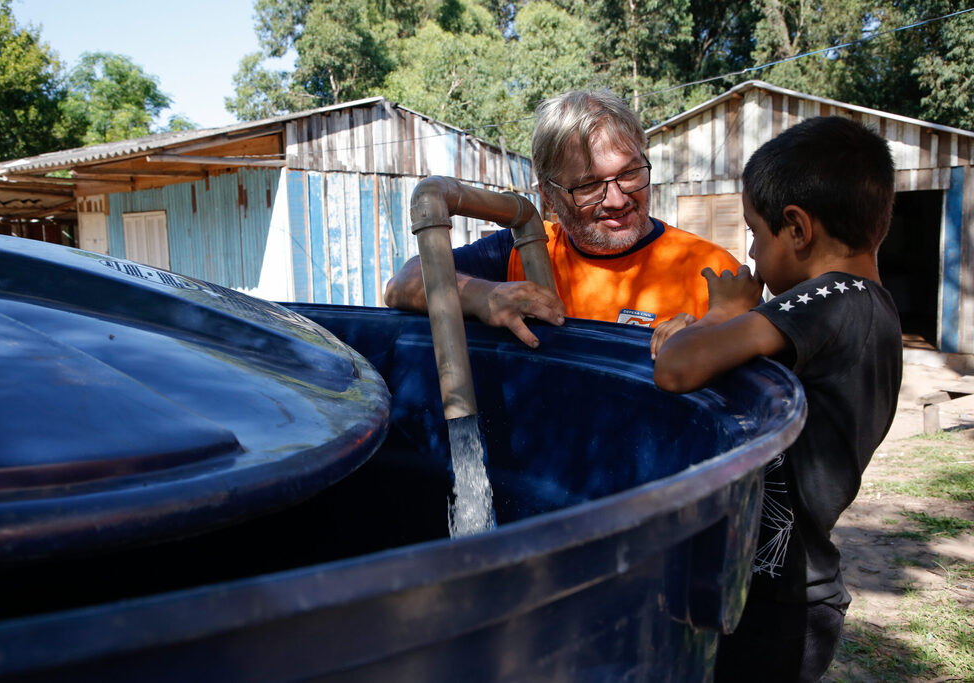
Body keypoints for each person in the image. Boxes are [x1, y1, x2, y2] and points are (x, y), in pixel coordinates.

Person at [652, 116, 903, 682]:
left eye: (755, 235)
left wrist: (723, 313)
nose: (751, 255)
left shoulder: (833, 298)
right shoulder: (866, 309)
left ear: (797, 228)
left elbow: (675, 368)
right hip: (783, 586)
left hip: (782, 599)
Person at [383, 90, 740, 348]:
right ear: (548, 195)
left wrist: (711, 342)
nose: (617, 199)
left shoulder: (712, 271)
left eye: (630, 173)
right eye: (588, 185)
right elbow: (403, 283)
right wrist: (483, 295)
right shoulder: (525, 249)